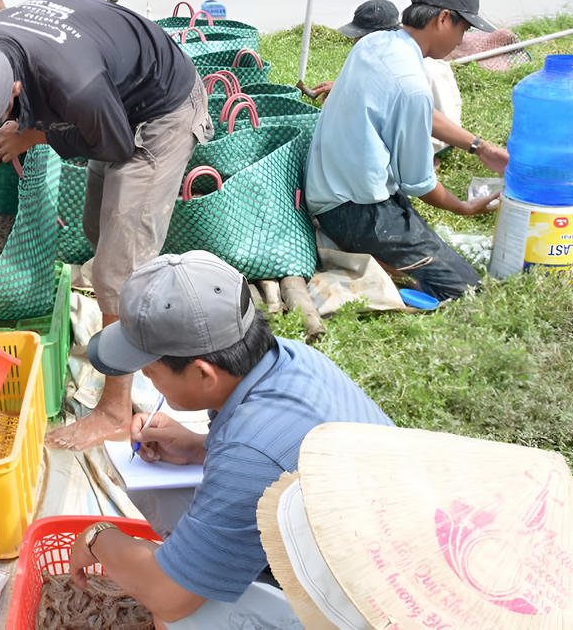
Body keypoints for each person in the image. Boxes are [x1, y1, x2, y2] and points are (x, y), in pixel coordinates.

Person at [0, 0, 212, 451]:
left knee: (117, 260)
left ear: (13, 92)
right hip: (105, 93)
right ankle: (130, 311)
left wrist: (35, 133)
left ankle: (114, 409)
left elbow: (113, 145)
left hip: (158, 104)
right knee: (98, 230)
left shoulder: (74, 86)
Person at [69, 251, 393, 625]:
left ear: (203, 374)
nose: (149, 381)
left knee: (178, 619)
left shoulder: (251, 454)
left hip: (373, 603)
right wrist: (198, 448)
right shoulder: (291, 357)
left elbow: (169, 596)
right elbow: (287, 463)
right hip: (373, 536)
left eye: (150, 371)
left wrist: (97, 538)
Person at [305, 0, 502, 303]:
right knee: (466, 289)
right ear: (442, 19)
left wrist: (479, 147)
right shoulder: (410, 84)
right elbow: (419, 183)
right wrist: (464, 208)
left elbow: (416, 111)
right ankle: (378, 265)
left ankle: (383, 259)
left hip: (329, 190)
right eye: (463, 29)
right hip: (357, 211)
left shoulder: (375, 43)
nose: (461, 40)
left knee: (433, 249)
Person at [311, 0, 508, 173]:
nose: (356, 43)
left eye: (360, 38)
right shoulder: (396, 58)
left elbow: (420, 114)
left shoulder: (415, 69)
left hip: (438, 137)